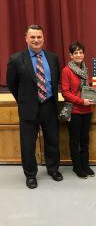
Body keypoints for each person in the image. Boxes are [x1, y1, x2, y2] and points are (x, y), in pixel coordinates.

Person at [6, 24, 63, 189]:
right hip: (28, 108)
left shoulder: (52, 57)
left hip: (49, 105)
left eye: (39, 37)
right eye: (32, 37)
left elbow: (55, 79)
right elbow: (12, 84)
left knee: (52, 140)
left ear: (43, 38)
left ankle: (53, 169)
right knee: (28, 144)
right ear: (26, 39)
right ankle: (30, 175)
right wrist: (24, 100)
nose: (36, 40)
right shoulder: (16, 59)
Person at [61, 41, 95, 179]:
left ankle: (85, 165)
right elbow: (65, 92)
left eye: (81, 52)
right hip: (74, 111)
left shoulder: (85, 70)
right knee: (75, 140)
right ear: (71, 55)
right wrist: (82, 101)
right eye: (76, 53)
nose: (79, 55)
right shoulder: (66, 71)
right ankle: (77, 166)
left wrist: (93, 97)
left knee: (85, 139)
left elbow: (87, 89)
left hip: (87, 110)